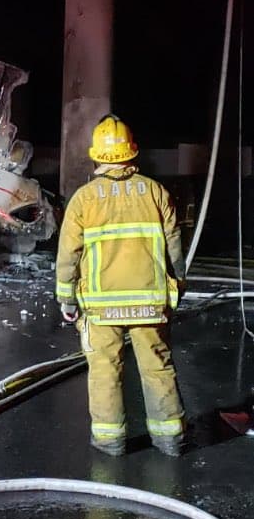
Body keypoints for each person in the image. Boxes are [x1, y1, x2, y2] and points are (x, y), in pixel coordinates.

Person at [55, 115, 186, 457]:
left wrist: (67, 300)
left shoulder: (84, 200)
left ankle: (110, 442)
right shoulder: (156, 192)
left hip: (101, 308)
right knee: (158, 367)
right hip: (150, 303)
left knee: (104, 372)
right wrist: (177, 289)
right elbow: (175, 250)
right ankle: (170, 439)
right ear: (132, 152)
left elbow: (68, 255)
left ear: (96, 156)